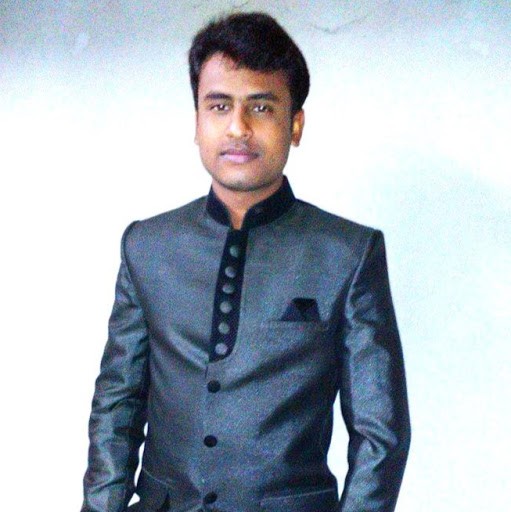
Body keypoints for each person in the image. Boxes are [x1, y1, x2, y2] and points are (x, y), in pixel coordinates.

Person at [81, 11, 411, 512]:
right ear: (197, 122)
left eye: (261, 106)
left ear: (295, 124)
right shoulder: (147, 246)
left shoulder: (347, 254)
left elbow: (380, 434)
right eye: (219, 106)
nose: (238, 127)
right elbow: (116, 407)